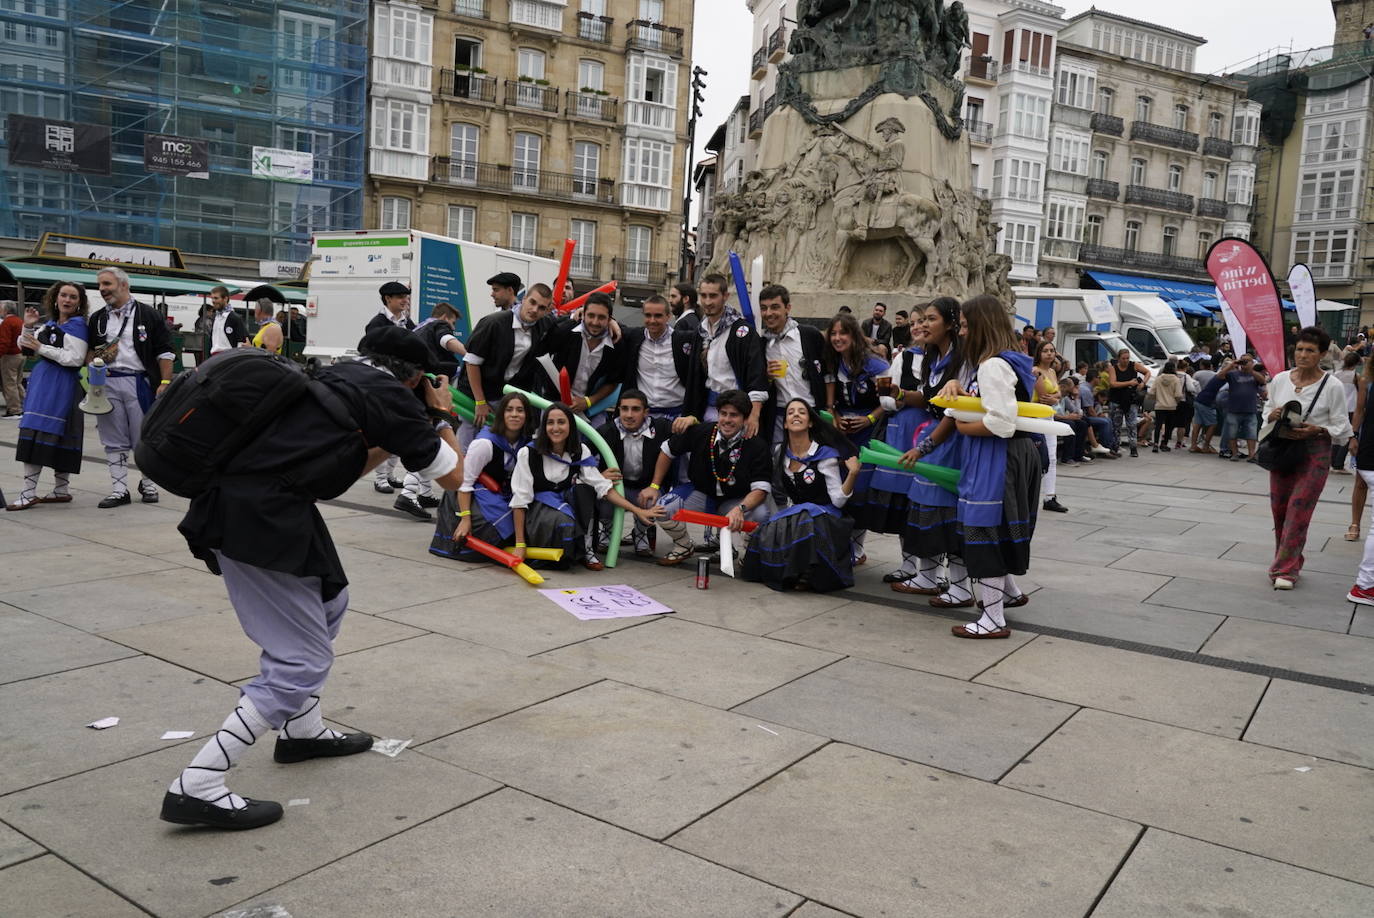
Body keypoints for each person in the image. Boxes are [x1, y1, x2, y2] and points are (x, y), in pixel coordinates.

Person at [162, 325, 465, 830]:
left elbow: (338, 474)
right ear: (416, 377)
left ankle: (302, 730)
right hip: (258, 519)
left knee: (331, 599)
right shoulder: (396, 399)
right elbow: (453, 478)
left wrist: (394, 436)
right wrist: (441, 413)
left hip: (256, 505)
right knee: (299, 662)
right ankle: (199, 782)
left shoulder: (339, 375)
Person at [942, 294, 1040, 638]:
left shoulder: (992, 365)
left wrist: (961, 425)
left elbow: (1000, 422)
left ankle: (993, 619)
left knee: (985, 532)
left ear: (982, 326)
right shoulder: (1005, 360)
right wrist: (958, 388)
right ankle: (1008, 595)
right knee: (991, 530)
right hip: (1006, 456)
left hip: (996, 457)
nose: (963, 333)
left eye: (967, 326)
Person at [509, 402, 660, 570]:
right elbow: (519, 502)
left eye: (561, 422)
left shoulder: (579, 451)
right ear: (543, 427)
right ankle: (560, 550)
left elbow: (604, 487)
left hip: (567, 506)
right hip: (539, 511)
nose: (555, 428)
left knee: (585, 488)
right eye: (550, 423)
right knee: (564, 521)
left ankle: (586, 549)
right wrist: (520, 544)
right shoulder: (528, 453)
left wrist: (638, 511)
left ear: (571, 426)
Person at [892, 297, 970, 605]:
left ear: (950, 324)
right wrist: (899, 394)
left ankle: (961, 588)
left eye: (931, 319)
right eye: (922, 319)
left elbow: (953, 413)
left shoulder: (961, 361)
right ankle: (927, 576)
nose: (923, 325)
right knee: (926, 510)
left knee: (950, 515)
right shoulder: (933, 357)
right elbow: (927, 398)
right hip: (936, 438)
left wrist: (924, 448)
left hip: (951, 442)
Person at [1262, 327, 1350, 590]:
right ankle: (1289, 558)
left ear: (1322, 354)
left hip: (1315, 453)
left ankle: (1285, 570)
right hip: (1283, 449)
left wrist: (1319, 429)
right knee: (1280, 509)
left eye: (1310, 350)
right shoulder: (1280, 379)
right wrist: (1272, 415)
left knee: (1299, 508)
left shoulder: (1332, 385)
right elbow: (1267, 408)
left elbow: (1342, 424)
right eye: (1299, 349)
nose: (1303, 355)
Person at [743, 399, 862, 591]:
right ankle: (790, 570)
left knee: (804, 518)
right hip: (800, 516)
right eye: (790, 412)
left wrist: (853, 474)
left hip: (828, 519)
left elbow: (838, 502)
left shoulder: (825, 454)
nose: (796, 415)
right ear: (784, 422)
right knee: (775, 525)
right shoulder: (779, 453)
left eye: (801, 412)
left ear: (810, 422)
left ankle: (807, 572)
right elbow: (775, 493)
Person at [646, 389, 773, 565]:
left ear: (744, 418)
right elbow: (667, 450)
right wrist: (654, 486)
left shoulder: (757, 445)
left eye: (734, 415)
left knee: (761, 514)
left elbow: (761, 490)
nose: (727, 420)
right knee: (662, 507)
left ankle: (747, 553)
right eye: (723, 414)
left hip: (735, 501)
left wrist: (740, 508)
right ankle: (683, 546)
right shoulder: (702, 431)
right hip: (702, 494)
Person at [87, 267, 173, 508]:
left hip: (138, 381)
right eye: (100, 285)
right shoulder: (97, 318)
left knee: (144, 436)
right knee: (113, 438)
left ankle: (148, 483)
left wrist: (165, 382)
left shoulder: (148, 314)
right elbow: (90, 352)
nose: (102, 289)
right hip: (106, 382)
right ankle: (119, 489)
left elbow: (165, 351)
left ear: (123, 285)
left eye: (107, 284)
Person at [6, 283, 89, 510]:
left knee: (50, 431)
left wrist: (41, 347)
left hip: (62, 384)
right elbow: (26, 348)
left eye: (73, 297)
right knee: (40, 429)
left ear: (79, 302)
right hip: (45, 382)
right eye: (64, 295)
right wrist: (29, 327)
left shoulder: (78, 326)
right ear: (55, 298)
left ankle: (35, 492)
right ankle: (49, 491)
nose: (67, 300)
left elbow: (75, 358)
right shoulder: (51, 324)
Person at [430, 391, 533, 563]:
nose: (514, 414)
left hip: (503, 491)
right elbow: (464, 482)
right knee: (492, 522)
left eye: (520, 410)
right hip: (472, 492)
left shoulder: (526, 443)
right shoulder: (485, 444)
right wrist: (465, 519)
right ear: (502, 414)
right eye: (509, 410)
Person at [825, 311, 890, 564]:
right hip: (843, 433)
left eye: (843, 333)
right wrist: (835, 417)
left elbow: (888, 401)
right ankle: (844, 544)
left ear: (854, 335)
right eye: (834, 333)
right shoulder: (832, 362)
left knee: (861, 488)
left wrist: (869, 419)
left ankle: (857, 547)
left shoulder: (876, 364)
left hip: (869, 432)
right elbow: (831, 402)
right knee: (842, 486)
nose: (838, 338)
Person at [458, 284, 556, 449]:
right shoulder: (494, 323)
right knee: (467, 446)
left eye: (541, 307)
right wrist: (480, 402)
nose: (534, 310)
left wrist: (608, 322)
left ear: (546, 311)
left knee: (496, 447)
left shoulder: (542, 325)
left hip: (502, 396)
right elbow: (472, 362)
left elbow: (567, 322)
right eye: (532, 302)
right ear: (523, 299)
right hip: (474, 394)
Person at [691, 273, 767, 436]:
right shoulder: (701, 331)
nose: (708, 302)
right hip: (709, 409)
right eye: (703, 296)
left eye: (713, 296)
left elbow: (756, 375)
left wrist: (754, 415)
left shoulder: (742, 331)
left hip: (737, 413)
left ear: (725, 296)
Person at [601, 389, 672, 557]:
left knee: (654, 502)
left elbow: (690, 432)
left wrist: (691, 419)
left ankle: (641, 533)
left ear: (646, 412)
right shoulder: (605, 430)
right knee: (601, 495)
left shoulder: (661, 427)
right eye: (624, 409)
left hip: (646, 487)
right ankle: (608, 531)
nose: (629, 414)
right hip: (618, 486)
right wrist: (599, 475)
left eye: (635, 409)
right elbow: (583, 456)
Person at [619, 294, 703, 428]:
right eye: (648, 315)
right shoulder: (635, 337)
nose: (652, 320)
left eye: (658, 316)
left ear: (668, 316)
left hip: (677, 416)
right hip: (643, 416)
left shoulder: (684, 339)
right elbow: (609, 325)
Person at [757, 284, 827, 442]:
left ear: (787, 308)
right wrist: (767, 376)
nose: (768, 313)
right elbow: (759, 383)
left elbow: (828, 373)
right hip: (780, 415)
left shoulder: (809, 335)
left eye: (775, 307)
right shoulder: (761, 344)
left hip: (812, 411)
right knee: (780, 460)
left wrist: (828, 407)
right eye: (764, 308)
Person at [535, 292, 623, 412]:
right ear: (583, 314)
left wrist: (589, 401)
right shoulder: (565, 332)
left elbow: (613, 381)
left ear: (610, 319)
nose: (595, 322)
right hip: (554, 403)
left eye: (601, 317)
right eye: (591, 315)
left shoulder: (616, 342)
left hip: (590, 409)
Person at [1032, 341, 1067, 513]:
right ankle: (1035, 494)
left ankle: (1050, 496)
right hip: (1037, 415)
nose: (1049, 354)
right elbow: (1044, 396)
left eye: (1052, 350)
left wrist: (1056, 397)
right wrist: (1055, 398)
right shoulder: (1036, 371)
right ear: (1038, 353)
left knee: (1052, 457)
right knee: (1040, 457)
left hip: (1048, 415)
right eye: (1045, 351)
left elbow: (1058, 392)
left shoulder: (1052, 371)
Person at [1219, 354, 1266, 462]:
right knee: (1232, 433)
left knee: (1251, 433)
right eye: (1243, 361)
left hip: (1250, 409)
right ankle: (1234, 454)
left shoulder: (1254, 375)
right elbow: (1220, 376)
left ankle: (1251, 455)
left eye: (1247, 361)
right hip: (1234, 409)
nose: (1244, 363)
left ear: (1252, 362)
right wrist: (1231, 365)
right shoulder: (1233, 374)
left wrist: (1251, 370)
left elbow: (1262, 381)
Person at [1106, 348, 1150, 458]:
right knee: (1116, 425)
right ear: (1118, 359)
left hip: (1131, 400)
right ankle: (1115, 446)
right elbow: (1113, 383)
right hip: (1116, 400)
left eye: (1127, 358)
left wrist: (1143, 383)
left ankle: (1133, 447)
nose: (1125, 361)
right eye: (1123, 358)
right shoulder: (1113, 368)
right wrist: (1129, 383)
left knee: (1132, 424)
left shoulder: (1134, 365)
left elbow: (1147, 372)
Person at [413, 302, 466, 379]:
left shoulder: (416, 330)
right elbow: (446, 339)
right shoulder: (439, 324)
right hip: (436, 374)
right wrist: (470, 353)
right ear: (445, 317)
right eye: (453, 323)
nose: (454, 328)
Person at [1332, 350, 1362, 475]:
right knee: (1348, 436)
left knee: (1336, 435)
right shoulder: (1356, 376)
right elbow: (1361, 393)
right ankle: (1338, 464)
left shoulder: (1336, 374)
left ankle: (1333, 461)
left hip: (1337, 408)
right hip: (1351, 409)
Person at [1149, 361, 1183, 452]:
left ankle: (1155, 444)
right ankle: (1164, 443)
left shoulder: (1158, 379)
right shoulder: (1176, 379)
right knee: (1168, 426)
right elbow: (1178, 395)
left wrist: (1156, 398)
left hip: (1159, 405)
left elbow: (1152, 392)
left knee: (1158, 425)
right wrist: (1176, 402)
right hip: (1171, 406)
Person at [206, 285, 250, 357]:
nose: (213, 301)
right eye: (212, 298)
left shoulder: (235, 318)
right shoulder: (215, 317)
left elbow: (242, 342)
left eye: (216, 298)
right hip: (214, 358)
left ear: (225, 299)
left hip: (229, 357)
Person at [1189, 358, 1219, 453]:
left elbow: (1192, 385)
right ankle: (1206, 446)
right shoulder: (1215, 375)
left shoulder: (1197, 374)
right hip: (1209, 401)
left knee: (1197, 423)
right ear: (1210, 366)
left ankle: (1193, 445)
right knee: (1213, 423)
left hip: (1198, 399)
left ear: (1202, 365)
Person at [0, 300, 24, 417]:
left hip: (9, 356)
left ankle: (15, 410)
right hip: (20, 355)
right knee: (18, 383)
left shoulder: (7, 322)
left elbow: (4, 342)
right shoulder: (20, 321)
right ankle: (25, 405)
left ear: (5, 310)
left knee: (9, 384)